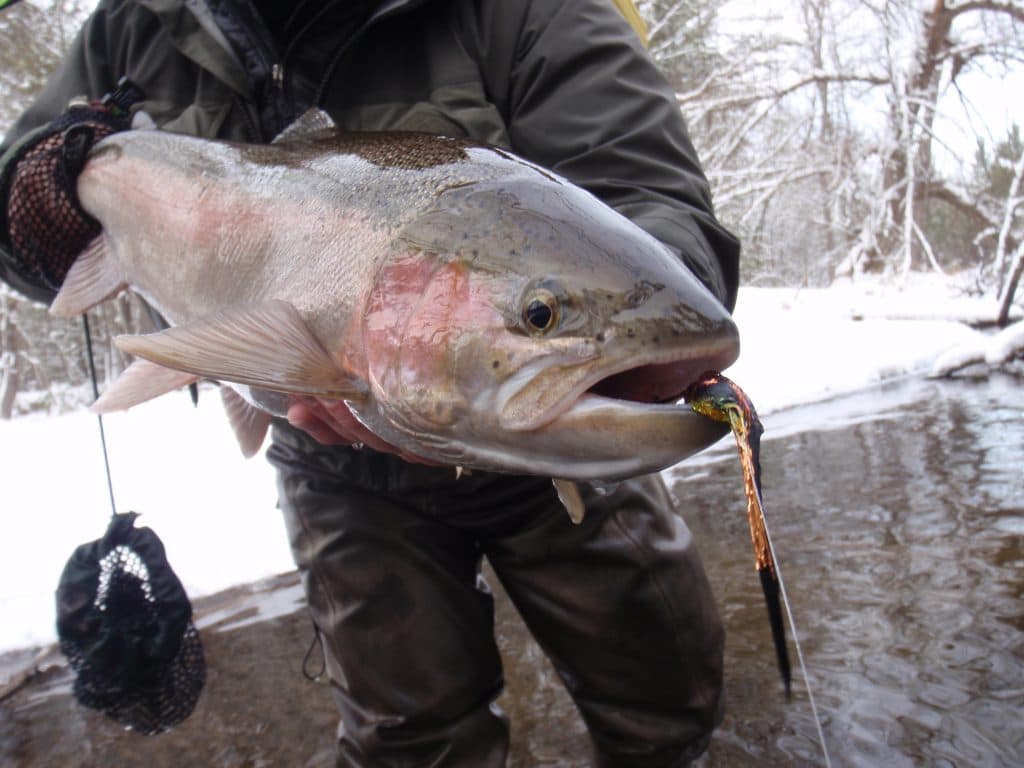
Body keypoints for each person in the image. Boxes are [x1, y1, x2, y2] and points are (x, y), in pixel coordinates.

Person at [0, 1, 740, 765]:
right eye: (544, 315)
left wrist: (656, 303)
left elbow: (645, 189)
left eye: (541, 313)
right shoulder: (132, 24)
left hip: (559, 438)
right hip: (331, 459)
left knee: (666, 701)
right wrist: (41, 193)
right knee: (414, 746)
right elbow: (16, 202)